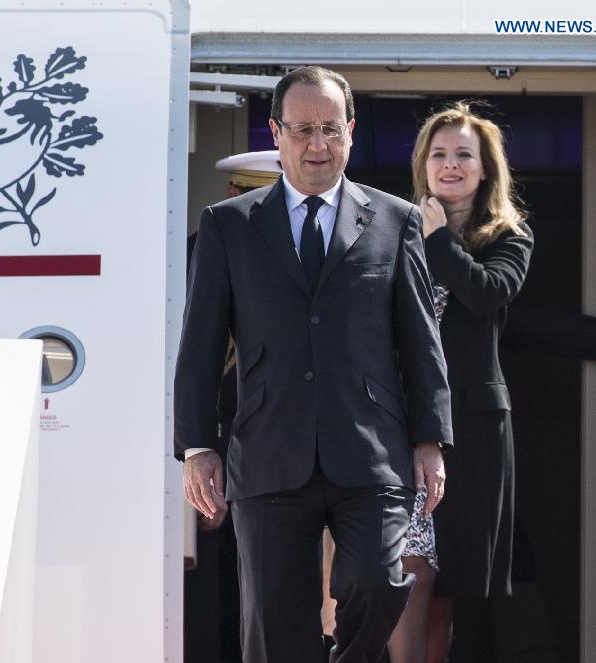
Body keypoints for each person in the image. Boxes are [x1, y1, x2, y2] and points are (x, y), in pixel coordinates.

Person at [174, 66, 453, 663]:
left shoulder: (395, 219)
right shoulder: (229, 225)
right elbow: (199, 344)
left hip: (371, 450)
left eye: (330, 129)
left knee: (379, 583)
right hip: (271, 451)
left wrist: (430, 439)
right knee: (274, 622)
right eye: (302, 130)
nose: (317, 145)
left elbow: (420, 342)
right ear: (277, 133)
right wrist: (198, 446)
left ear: (351, 131)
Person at [403, 102, 533, 663]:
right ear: (423, 165)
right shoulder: (395, 229)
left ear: (484, 170)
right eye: (439, 154)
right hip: (399, 425)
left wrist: (438, 240)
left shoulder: (509, 235)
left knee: (444, 590)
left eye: (463, 155)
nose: (449, 165)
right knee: (408, 575)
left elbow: (485, 294)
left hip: (470, 431)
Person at [184, 150, 281, 663]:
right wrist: (201, 455)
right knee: (209, 607)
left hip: (272, 464)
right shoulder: (195, 256)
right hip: (209, 457)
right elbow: (196, 368)